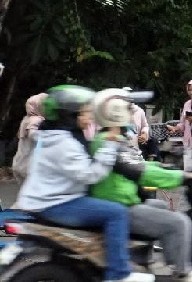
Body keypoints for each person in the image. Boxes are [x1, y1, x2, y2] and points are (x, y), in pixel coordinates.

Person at [13, 85, 154, 282]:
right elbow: (91, 175)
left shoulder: (56, 135)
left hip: (50, 198)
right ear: (71, 116)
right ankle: (118, 274)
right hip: (56, 203)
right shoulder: (64, 143)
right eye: (85, 113)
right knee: (116, 213)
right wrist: (111, 145)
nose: (90, 118)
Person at [90, 89, 192, 282]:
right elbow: (140, 172)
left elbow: (140, 164)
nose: (132, 114)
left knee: (162, 207)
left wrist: (167, 167)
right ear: (117, 113)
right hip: (120, 206)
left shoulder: (111, 139)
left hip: (122, 201)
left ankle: (145, 258)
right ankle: (184, 273)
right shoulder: (108, 143)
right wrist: (182, 177)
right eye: (129, 110)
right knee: (179, 223)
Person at [11, 93, 47, 182]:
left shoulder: (26, 119)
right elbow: (33, 136)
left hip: (20, 161)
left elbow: (19, 135)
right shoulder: (36, 119)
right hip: (29, 163)